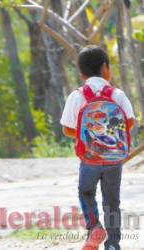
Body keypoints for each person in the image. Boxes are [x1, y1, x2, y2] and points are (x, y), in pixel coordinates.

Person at [60, 45, 135, 250]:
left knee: (86, 192)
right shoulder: (117, 94)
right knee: (112, 202)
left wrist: (89, 136)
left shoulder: (77, 96)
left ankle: (94, 227)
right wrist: (109, 134)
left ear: (81, 73)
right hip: (114, 159)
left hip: (89, 159)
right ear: (105, 68)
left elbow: (67, 128)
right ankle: (113, 244)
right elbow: (130, 122)